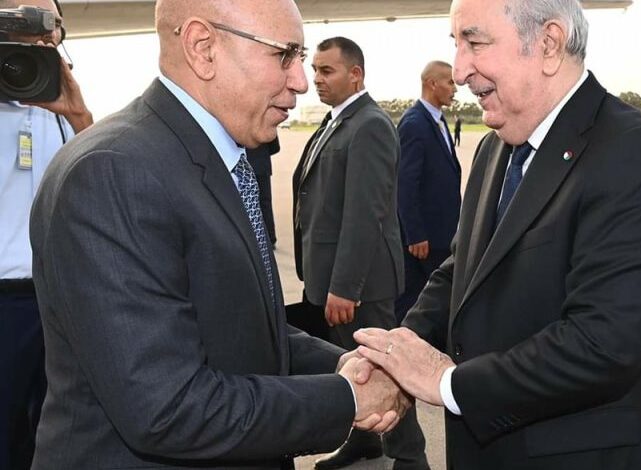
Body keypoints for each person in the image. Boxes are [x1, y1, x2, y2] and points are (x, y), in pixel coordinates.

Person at [29, 2, 409, 469]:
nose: (300, 80)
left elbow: (239, 325)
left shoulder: (208, 156)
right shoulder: (114, 173)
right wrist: (347, 398)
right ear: (202, 47)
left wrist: (340, 365)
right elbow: (167, 408)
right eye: (284, 55)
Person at [354, 0, 641, 468]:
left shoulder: (637, 152)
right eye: (456, 45)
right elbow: (462, 271)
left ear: (548, 44)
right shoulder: (495, 147)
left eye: (474, 42)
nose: (458, 71)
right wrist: (397, 354)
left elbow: (603, 343)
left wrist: (444, 382)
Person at [292, 37, 428, 470]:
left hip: (361, 285)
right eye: (314, 69)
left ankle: (411, 457)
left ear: (356, 74)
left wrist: (345, 287)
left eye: (326, 70)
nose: (316, 79)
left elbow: (365, 213)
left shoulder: (369, 124)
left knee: (383, 371)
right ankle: (366, 442)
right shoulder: (336, 121)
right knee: (355, 368)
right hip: (335, 278)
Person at [0, 0, 93, 468]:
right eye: (14, 18)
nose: (30, 29)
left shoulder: (61, 104)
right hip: (5, 302)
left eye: (44, 21)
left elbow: (98, 188)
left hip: (59, 297)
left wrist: (80, 117)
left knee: (57, 431)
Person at [395, 60, 461, 323]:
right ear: (432, 84)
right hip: (424, 241)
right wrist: (415, 234)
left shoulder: (437, 120)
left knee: (433, 306)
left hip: (441, 235)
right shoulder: (414, 123)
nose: (455, 89)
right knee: (413, 303)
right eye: (450, 82)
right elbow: (405, 184)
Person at [246, 137, 280, 246]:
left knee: (247, 203)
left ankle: (254, 238)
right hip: (262, 165)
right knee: (265, 204)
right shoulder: (265, 126)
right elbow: (275, 147)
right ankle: (270, 237)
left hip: (245, 166)